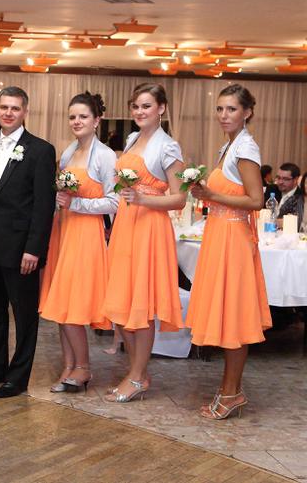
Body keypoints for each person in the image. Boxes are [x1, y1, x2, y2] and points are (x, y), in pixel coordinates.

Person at [187, 84, 271, 419]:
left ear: (247, 112)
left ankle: (232, 392)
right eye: (220, 109)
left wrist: (212, 195)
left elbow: (256, 200)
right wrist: (204, 193)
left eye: (231, 109)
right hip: (220, 234)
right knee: (225, 314)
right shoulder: (230, 145)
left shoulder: (246, 147)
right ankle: (228, 390)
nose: (224, 115)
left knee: (234, 316)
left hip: (233, 238)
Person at [102, 82, 186, 403]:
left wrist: (142, 199)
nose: (139, 111)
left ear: (161, 108)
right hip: (126, 224)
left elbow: (179, 198)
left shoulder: (168, 147)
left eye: (146, 106)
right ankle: (136, 372)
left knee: (142, 304)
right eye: (135, 106)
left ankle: (137, 376)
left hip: (150, 227)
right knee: (121, 301)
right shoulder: (132, 140)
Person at [0, 86, 56, 398]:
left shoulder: (40, 150)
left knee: (24, 316)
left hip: (21, 249)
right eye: (4, 107)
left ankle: (18, 377)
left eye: (15, 108)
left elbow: (43, 205)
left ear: (25, 112)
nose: (8, 113)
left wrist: (34, 249)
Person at [39, 92, 117, 392]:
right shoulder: (69, 151)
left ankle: (83, 367)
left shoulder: (105, 156)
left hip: (86, 234)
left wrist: (78, 204)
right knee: (61, 305)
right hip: (64, 230)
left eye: (83, 116)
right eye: (72, 116)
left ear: (97, 120)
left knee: (73, 305)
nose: (77, 121)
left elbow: (114, 202)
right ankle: (69, 365)